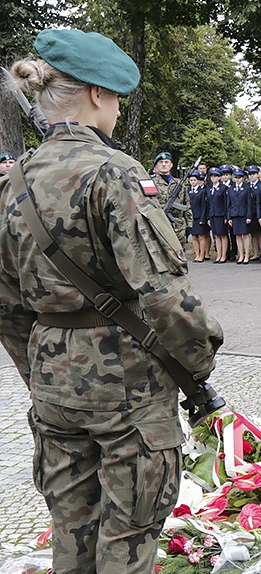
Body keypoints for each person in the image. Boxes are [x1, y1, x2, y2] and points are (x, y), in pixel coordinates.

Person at [0, 28, 223, 574]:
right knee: (129, 535)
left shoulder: (15, 181)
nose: (118, 111)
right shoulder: (114, 172)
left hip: (53, 381)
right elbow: (166, 297)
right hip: (127, 385)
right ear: (97, 95)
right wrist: (197, 366)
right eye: (117, 98)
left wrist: (41, 369)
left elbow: (6, 302)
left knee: (71, 531)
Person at [227, 169, 252, 264]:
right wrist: (229, 217)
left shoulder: (246, 188)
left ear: (243, 178)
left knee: (245, 235)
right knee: (237, 236)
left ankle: (247, 255)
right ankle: (240, 255)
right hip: (234, 215)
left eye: (239, 177)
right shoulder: (231, 188)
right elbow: (229, 204)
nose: (237, 179)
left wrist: (249, 216)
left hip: (243, 214)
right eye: (236, 177)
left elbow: (249, 203)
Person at [207, 167, 230, 263]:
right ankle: (219, 255)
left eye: (215, 176)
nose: (213, 178)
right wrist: (208, 217)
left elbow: (226, 203)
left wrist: (226, 216)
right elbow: (208, 204)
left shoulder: (223, 188)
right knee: (217, 235)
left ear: (219, 177)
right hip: (213, 215)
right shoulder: (209, 189)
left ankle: (224, 255)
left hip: (221, 215)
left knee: (223, 235)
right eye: (211, 176)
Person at [187, 169, 210, 262]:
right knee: (194, 237)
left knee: (201, 236)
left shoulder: (202, 191)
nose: (193, 182)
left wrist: (203, 218)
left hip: (200, 216)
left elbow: (204, 206)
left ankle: (202, 255)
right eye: (191, 180)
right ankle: (197, 255)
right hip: (191, 217)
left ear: (198, 181)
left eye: (194, 180)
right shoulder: (188, 191)